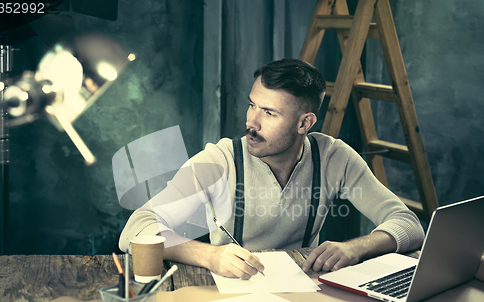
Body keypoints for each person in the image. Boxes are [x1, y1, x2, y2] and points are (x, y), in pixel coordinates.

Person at [119, 58, 424, 280]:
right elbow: (135, 230)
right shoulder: (219, 160)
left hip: (307, 291)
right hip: (233, 292)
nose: (252, 122)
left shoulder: (334, 157)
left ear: (304, 123)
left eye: (269, 113)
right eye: (252, 105)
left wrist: (356, 248)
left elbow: (408, 224)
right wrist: (209, 255)